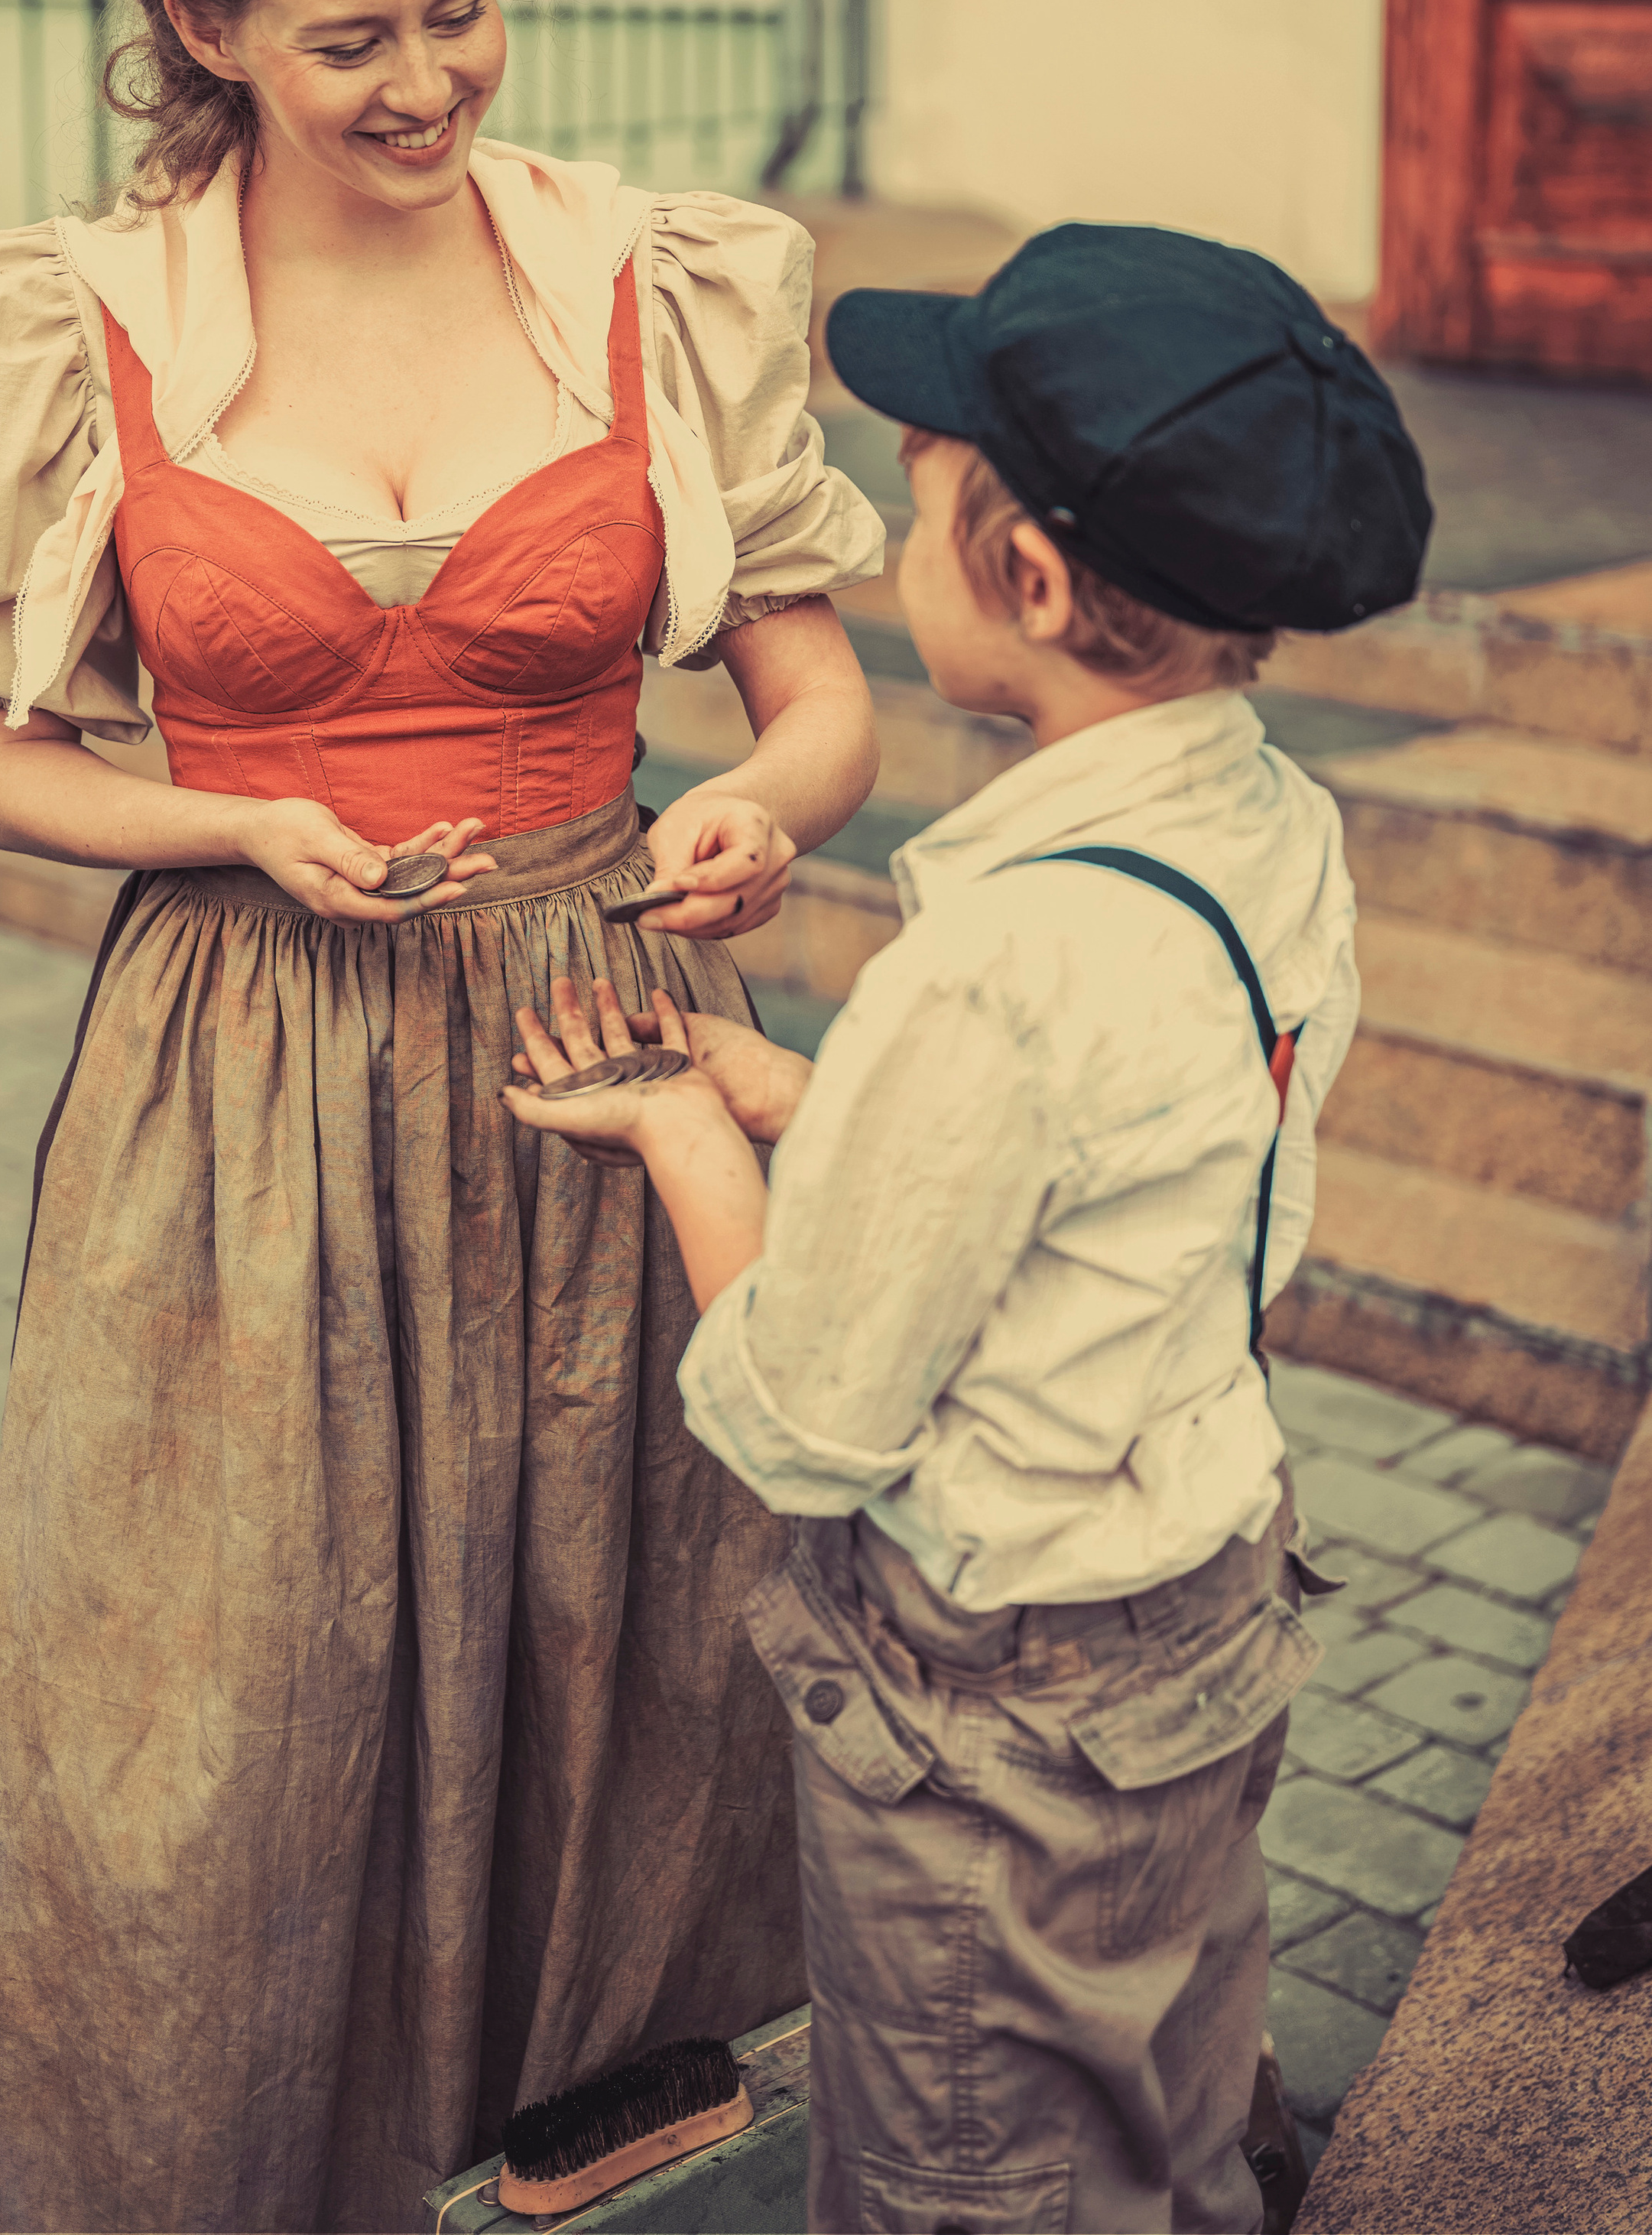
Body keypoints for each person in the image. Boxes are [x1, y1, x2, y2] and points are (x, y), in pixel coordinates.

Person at [0, 0, 885, 2235]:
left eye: (464, 8)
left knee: (610, 1625)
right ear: (202, 21)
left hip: (598, 1033)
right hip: (246, 1069)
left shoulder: (652, 282)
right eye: (355, 38)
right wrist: (233, 819)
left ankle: (576, 2105)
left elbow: (820, 698)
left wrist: (767, 809)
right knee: (234, 1679)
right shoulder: (77, 320)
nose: (428, 81)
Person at [504, 223, 1433, 2234]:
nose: (891, 525)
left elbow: (805, 1419)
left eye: (919, 496)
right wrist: (819, 1103)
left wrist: (689, 1132)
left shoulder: (995, 965)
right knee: (1172, 2119)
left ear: (1028, 584)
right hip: (1202, 1589)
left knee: (976, 2184)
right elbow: (1125, 1157)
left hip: (1002, 1701)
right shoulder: (1274, 825)